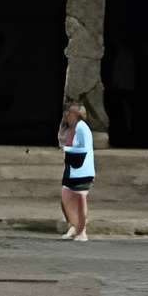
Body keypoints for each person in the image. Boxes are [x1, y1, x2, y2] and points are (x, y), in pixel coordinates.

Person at [58, 100, 94, 241]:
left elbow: (84, 149)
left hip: (82, 170)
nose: (67, 115)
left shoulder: (82, 127)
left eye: (70, 112)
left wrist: (66, 149)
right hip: (71, 168)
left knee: (80, 199)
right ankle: (74, 225)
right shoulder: (69, 127)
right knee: (65, 199)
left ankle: (82, 231)